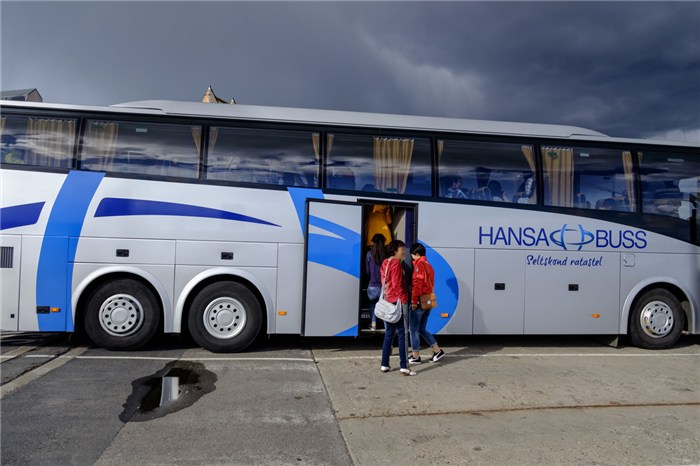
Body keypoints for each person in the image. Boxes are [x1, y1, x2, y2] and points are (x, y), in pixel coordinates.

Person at [379, 240, 416, 376]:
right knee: (403, 334)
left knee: (389, 333)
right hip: (398, 302)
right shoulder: (395, 263)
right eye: (402, 249)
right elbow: (396, 283)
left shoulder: (386, 262)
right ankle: (404, 366)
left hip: (389, 301)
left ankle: (384, 364)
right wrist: (404, 299)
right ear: (395, 250)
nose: (404, 251)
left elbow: (386, 282)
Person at [408, 244, 446, 364]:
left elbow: (417, 285)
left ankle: (415, 356)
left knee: (413, 330)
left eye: (413, 255)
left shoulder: (419, 265)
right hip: (428, 300)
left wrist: (414, 301)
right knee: (421, 329)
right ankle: (437, 350)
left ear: (417, 254)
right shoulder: (429, 265)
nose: (412, 258)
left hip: (419, 302)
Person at [366, 233, 387, 331]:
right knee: (384, 306)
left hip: (372, 286)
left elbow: (367, 271)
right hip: (383, 286)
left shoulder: (369, 254)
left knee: (372, 305)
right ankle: (386, 325)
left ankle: (373, 324)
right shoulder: (386, 254)